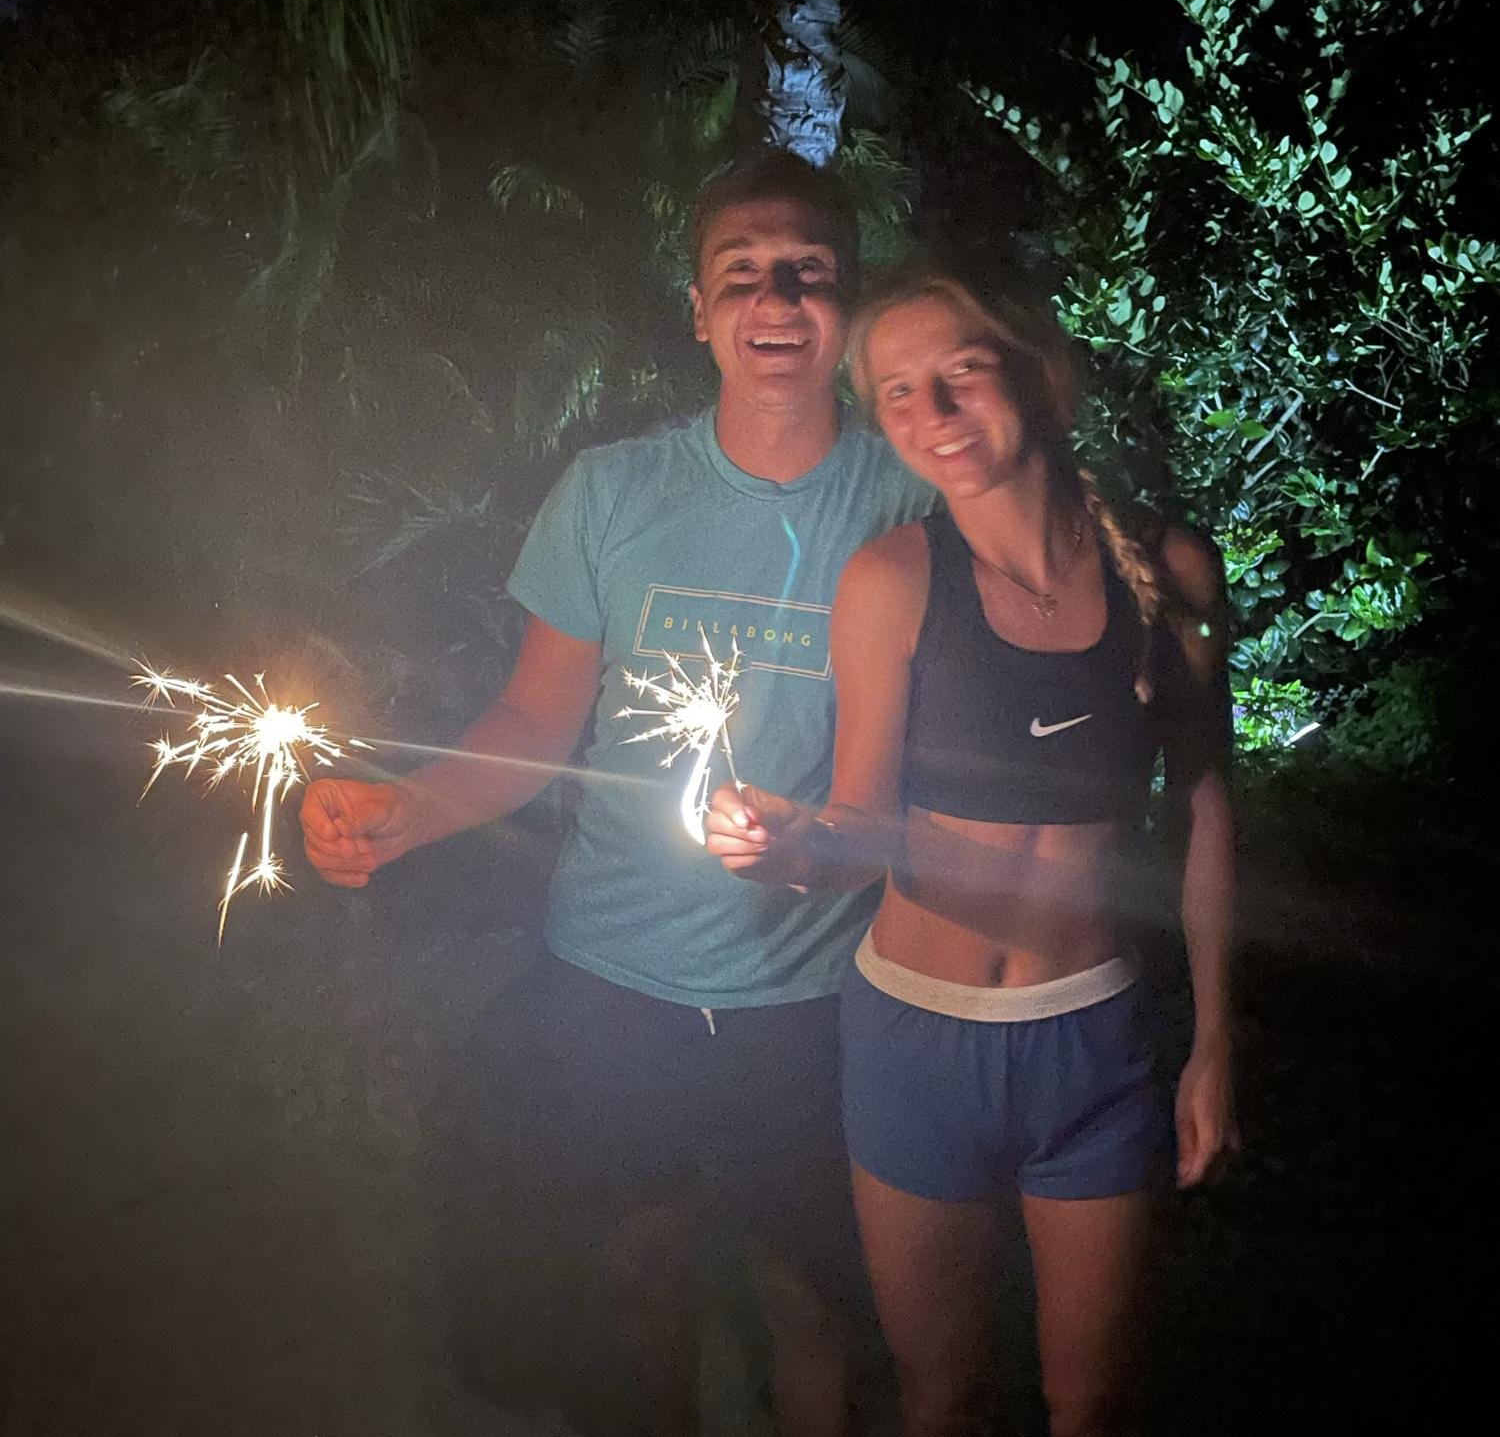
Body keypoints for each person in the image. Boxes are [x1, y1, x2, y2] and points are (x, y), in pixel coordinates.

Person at [298, 152, 933, 1437]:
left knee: (810, 1296)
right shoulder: (612, 492)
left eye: (808, 272)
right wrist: (410, 810)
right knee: (640, 1261)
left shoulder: (913, 497)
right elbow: (537, 717)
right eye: (740, 273)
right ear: (696, 310)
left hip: (820, 992)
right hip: (614, 976)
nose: (775, 299)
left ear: (851, 304)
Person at [703, 263, 1237, 1437]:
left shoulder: (1171, 572)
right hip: (916, 1042)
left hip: (1093, 1044)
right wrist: (791, 848)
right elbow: (861, 825)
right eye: (897, 392)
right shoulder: (894, 579)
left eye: (962, 373)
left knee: (1091, 1402)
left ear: (1040, 375)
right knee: (941, 1393)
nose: (931, 413)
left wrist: (1214, 1044)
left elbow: (1205, 810)